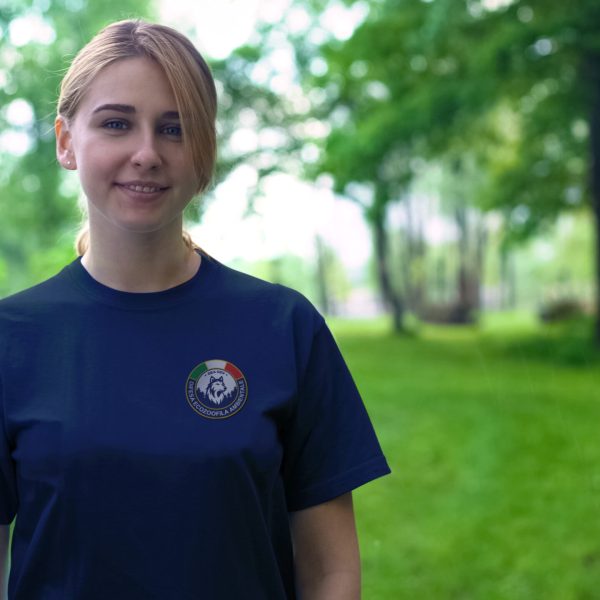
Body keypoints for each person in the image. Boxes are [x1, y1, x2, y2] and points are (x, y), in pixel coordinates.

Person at [0, 19, 390, 600]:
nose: (146, 153)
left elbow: (331, 571)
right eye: (116, 123)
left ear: (204, 150)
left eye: (174, 128)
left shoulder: (283, 326)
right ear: (65, 141)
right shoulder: (12, 338)